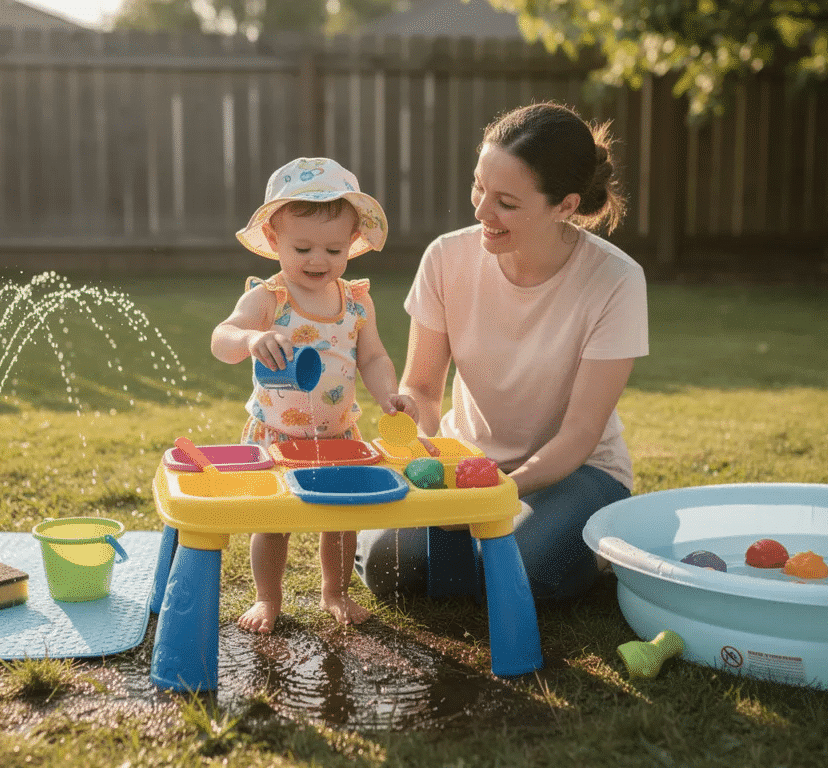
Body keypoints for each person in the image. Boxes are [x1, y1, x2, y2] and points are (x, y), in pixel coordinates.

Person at [355, 102, 648, 604]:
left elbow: (580, 435)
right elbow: (423, 387)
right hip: (465, 465)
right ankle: (515, 551)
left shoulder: (615, 280)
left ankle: (594, 543)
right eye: (478, 186)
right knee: (388, 567)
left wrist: (495, 489)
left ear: (566, 205)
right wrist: (425, 442)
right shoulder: (446, 257)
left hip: (576, 473)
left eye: (506, 203)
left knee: (523, 574)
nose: (481, 211)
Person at [212, 156, 417, 633]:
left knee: (341, 520)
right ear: (273, 240)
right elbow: (223, 337)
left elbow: (373, 359)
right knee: (274, 520)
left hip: (339, 429)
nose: (318, 261)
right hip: (277, 432)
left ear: (351, 244)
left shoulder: (356, 301)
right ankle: (268, 599)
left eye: (333, 249)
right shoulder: (269, 297)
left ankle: (335, 593)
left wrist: (389, 393)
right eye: (302, 247)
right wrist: (248, 340)